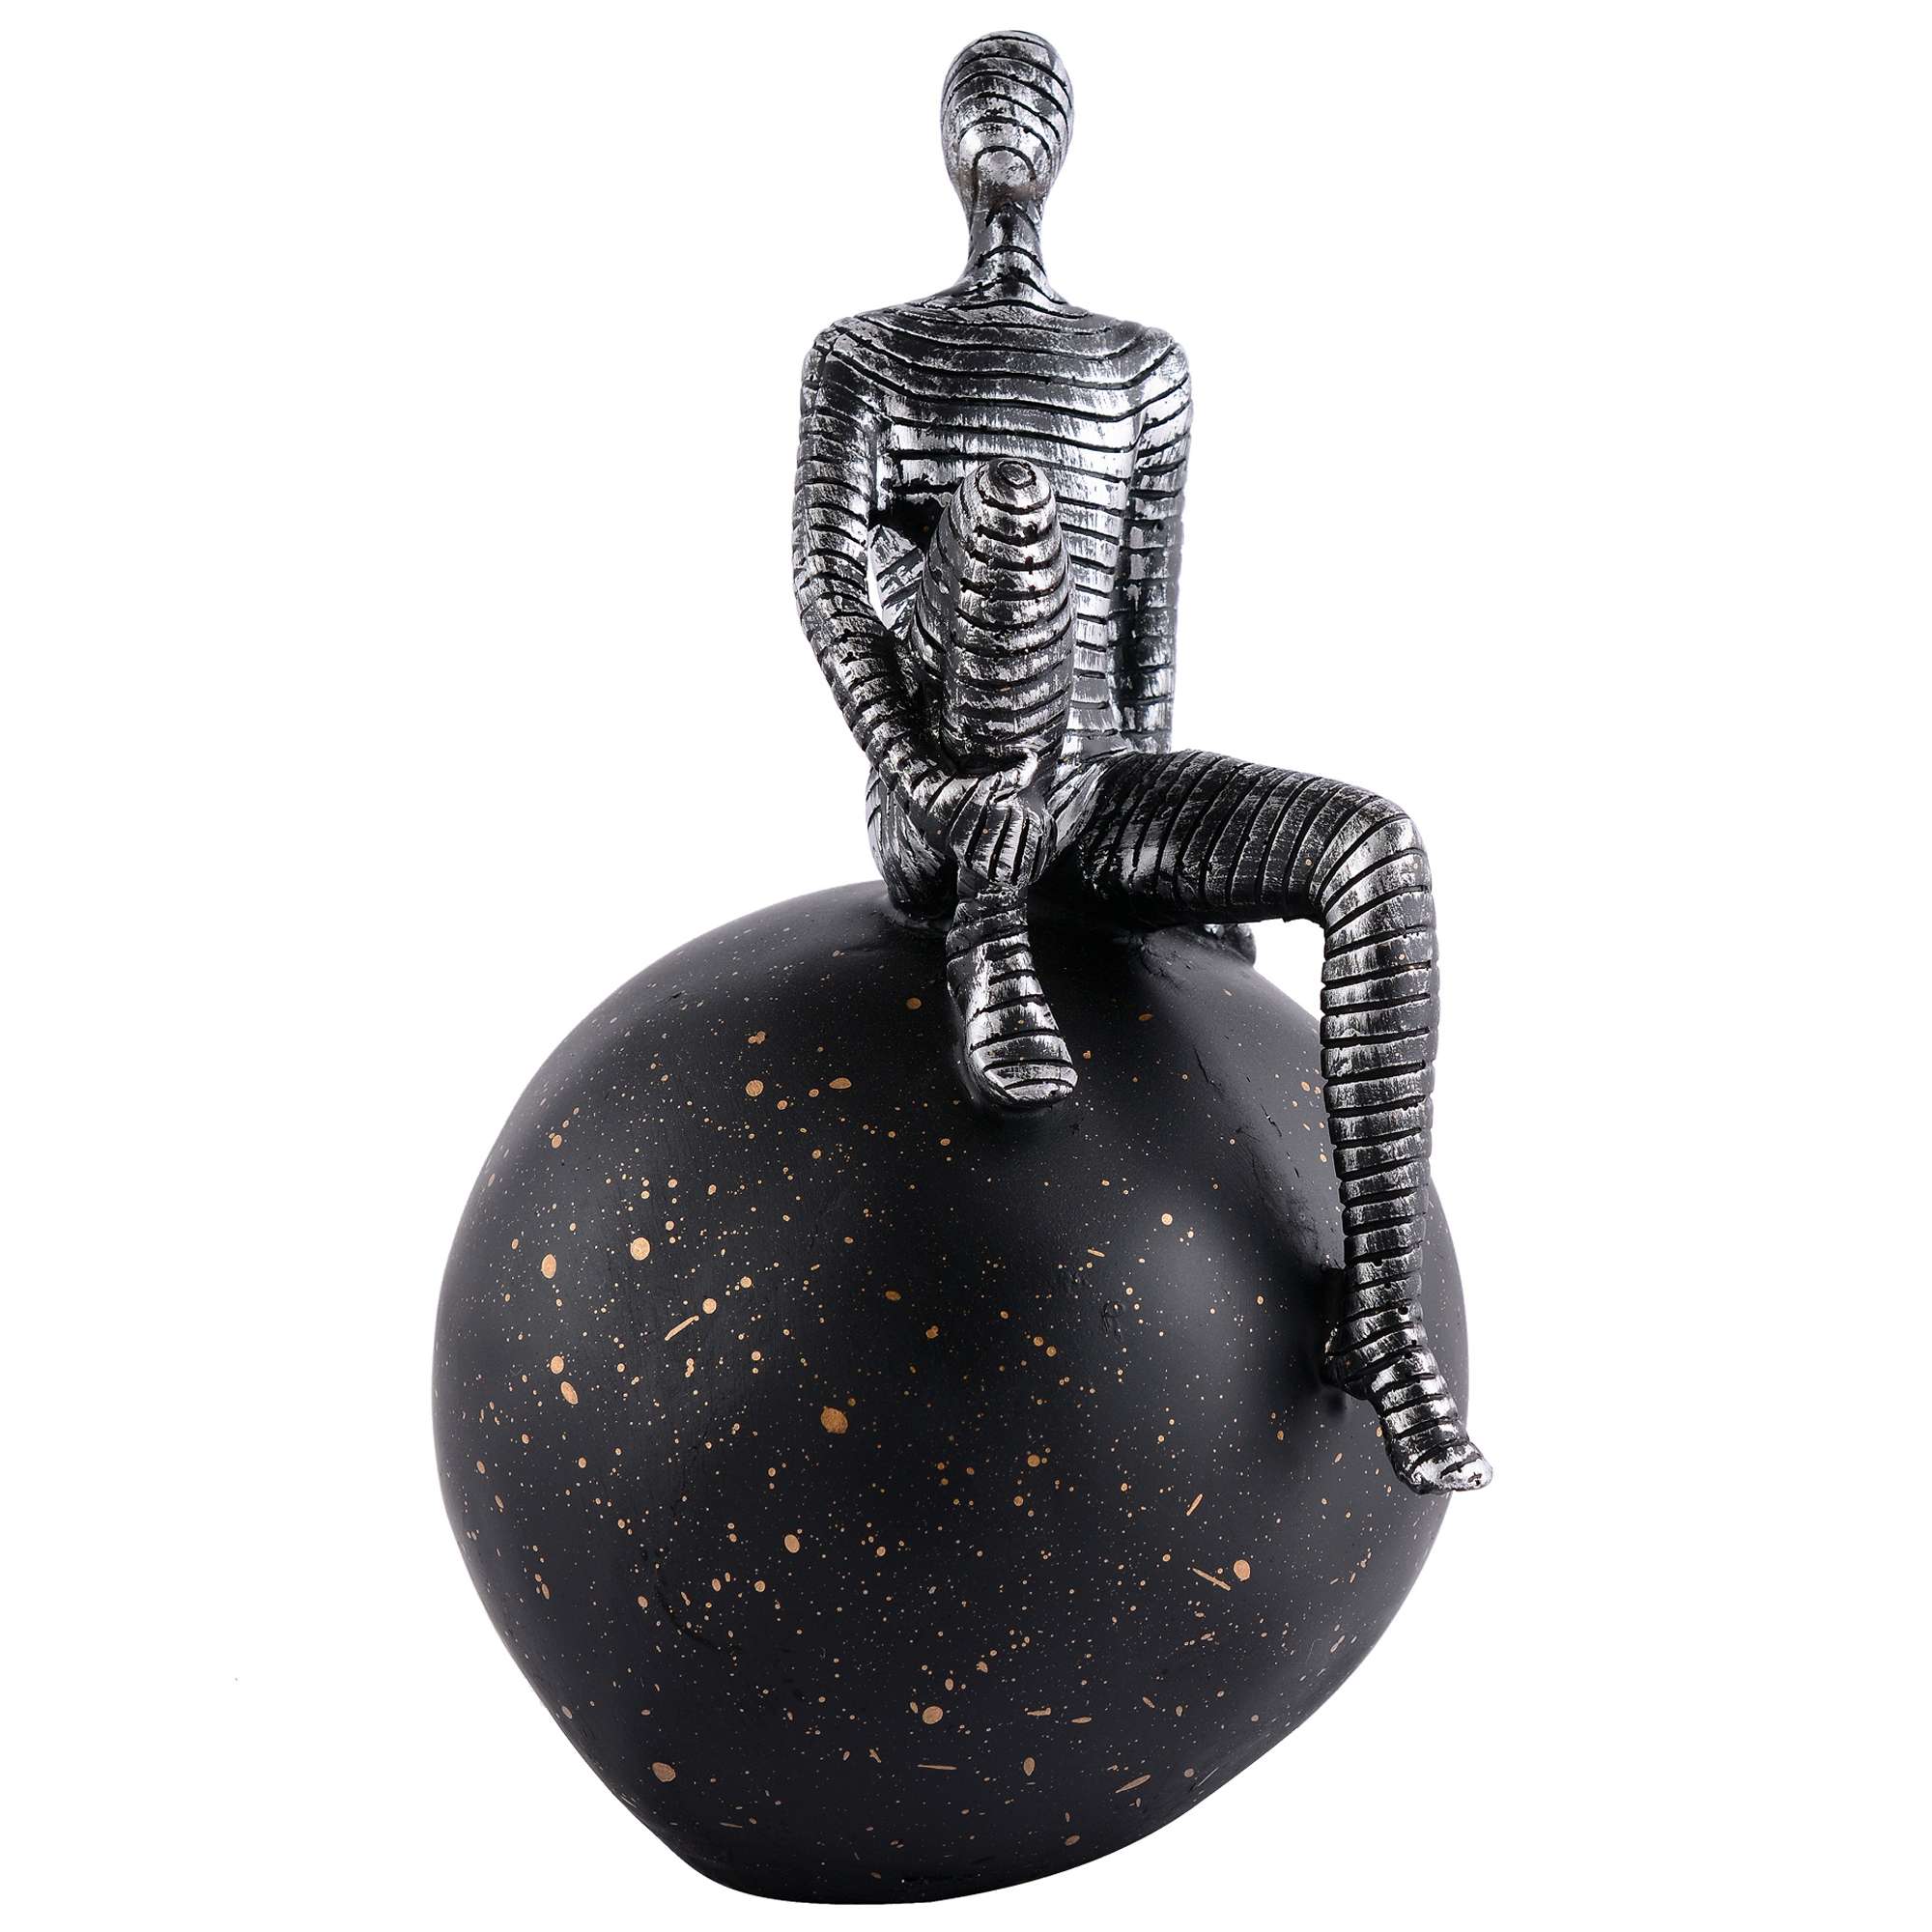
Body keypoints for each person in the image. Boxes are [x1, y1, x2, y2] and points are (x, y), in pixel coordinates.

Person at [792, 32, 1490, 1494]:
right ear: (947, 144)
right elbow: (830, 589)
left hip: (1098, 801)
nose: (1009, 132)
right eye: (985, 108)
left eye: (1033, 109)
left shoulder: (1141, 372)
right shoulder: (869, 356)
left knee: (1378, 850)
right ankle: (989, 931)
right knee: (1010, 503)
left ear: (1064, 146)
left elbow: (1147, 631)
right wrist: (926, 779)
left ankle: (1378, 1309)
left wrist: (1178, 892)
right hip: (941, 792)